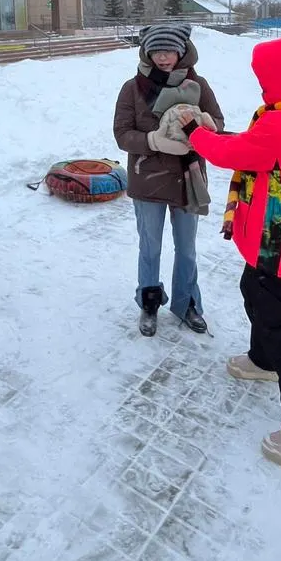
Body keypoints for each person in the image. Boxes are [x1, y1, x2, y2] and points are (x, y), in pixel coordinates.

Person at [183, 36, 281, 467]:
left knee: (280, 323)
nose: (263, 86)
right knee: (255, 290)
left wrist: (196, 133)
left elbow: (233, 153)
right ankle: (262, 359)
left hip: (279, 238)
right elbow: (259, 147)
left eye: (266, 78)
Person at [113, 22, 224, 337]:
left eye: (169, 50)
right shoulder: (132, 88)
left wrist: (205, 124)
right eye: (157, 50)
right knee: (150, 248)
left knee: (186, 249)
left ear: (182, 51)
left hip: (188, 179)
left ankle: (187, 303)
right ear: (146, 52)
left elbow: (218, 121)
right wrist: (154, 141)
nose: (163, 57)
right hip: (148, 180)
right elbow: (122, 133)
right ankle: (149, 303)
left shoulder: (198, 84)